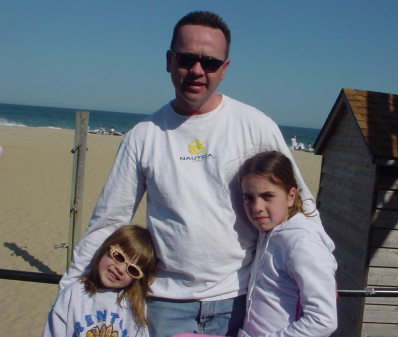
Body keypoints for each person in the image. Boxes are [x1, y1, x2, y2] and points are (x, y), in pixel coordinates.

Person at [59, 11, 321, 337]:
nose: (197, 71)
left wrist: (314, 280)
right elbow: (109, 221)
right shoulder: (143, 135)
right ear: (169, 61)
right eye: (186, 59)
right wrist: (70, 288)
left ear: (224, 69)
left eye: (210, 63)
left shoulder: (256, 126)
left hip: (244, 300)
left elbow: (302, 209)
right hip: (163, 305)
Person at [238, 151, 337, 336]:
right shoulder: (267, 232)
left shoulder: (302, 243)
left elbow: (323, 320)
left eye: (267, 196)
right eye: (248, 197)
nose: (257, 207)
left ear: (291, 196)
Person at [43, 225, 157, 337]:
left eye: (132, 270)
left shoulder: (136, 306)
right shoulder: (72, 294)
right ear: (106, 248)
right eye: (119, 257)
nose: (120, 269)